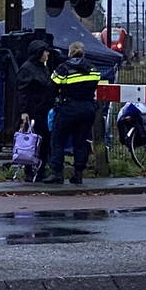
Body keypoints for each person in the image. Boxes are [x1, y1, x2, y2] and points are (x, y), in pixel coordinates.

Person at [44, 41, 101, 184]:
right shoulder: (93, 69)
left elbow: (51, 87)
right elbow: (95, 85)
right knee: (80, 141)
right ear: (83, 52)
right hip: (88, 108)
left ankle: (57, 173)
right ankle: (78, 174)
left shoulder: (63, 68)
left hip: (68, 108)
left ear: (69, 53)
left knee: (57, 140)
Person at [16, 40, 56, 181]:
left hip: (44, 109)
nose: (48, 54)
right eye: (45, 51)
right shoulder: (28, 68)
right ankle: (29, 170)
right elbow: (22, 91)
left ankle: (41, 168)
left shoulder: (43, 68)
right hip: (34, 110)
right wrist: (24, 111)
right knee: (32, 141)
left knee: (44, 141)